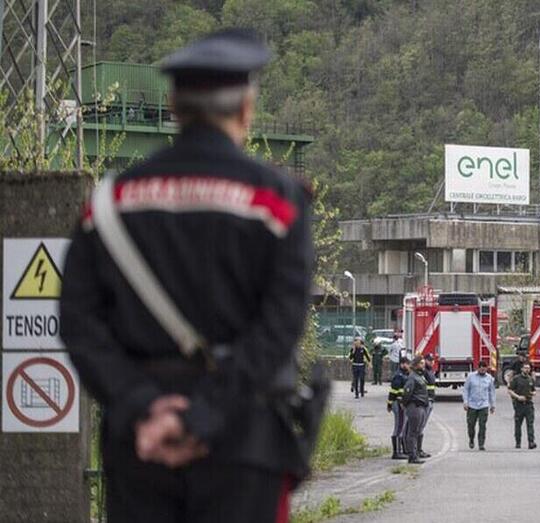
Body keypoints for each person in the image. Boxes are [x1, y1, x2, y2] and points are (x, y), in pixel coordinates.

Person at [59, 29, 313, 522]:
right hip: (245, 441)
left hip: (141, 446)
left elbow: (79, 323)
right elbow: (281, 326)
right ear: (246, 108)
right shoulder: (278, 203)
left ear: (174, 106)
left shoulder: (110, 204)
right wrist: (206, 415)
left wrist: (144, 407)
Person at [462, 360, 496, 451]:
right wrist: (465, 402)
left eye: (484, 369)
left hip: (483, 405)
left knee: (482, 425)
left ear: (486, 369)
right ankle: (471, 439)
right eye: (481, 369)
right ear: (478, 368)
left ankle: (481, 443)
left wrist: (492, 405)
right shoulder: (471, 377)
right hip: (472, 404)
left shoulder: (489, 378)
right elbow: (466, 390)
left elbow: (491, 392)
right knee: (471, 425)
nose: (482, 370)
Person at [402, 356, 430, 464]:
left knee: (417, 431)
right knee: (412, 432)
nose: (424, 365)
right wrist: (405, 404)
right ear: (416, 365)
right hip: (415, 406)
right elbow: (407, 392)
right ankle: (412, 456)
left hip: (421, 406)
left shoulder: (420, 376)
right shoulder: (412, 377)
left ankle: (415, 453)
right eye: (421, 363)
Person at [507, 362, 537, 449]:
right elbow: (510, 390)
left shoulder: (530, 379)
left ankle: (531, 442)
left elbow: (534, 390)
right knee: (518, 424)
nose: (527, 370)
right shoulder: (516, 379)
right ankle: (518, 441)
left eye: (528, 368)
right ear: (522, 369)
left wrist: (533, 393)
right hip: (519, 405)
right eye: (525, 368)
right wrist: (518, 397)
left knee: (530, 424)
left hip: (528, 404)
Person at [387, 357, 411, 460]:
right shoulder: (398, 376)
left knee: (402, 427)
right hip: (398, 404)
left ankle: (401, 450)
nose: (408, 366)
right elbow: (393, 392)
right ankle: (396, 452)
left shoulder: (405, 375)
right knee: (399, 427)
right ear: (402, 364)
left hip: (402, 404)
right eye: (407, 364)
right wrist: (390, 404)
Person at [416, 354, 437, 459]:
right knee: (419, 426)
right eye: (430, 360)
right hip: (426, 401)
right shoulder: (424, 372)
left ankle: (418, 449)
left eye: (432, 360)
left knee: (422, 426)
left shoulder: (430, 371)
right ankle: (417, 450)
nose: (432, 362)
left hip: (430, 400)